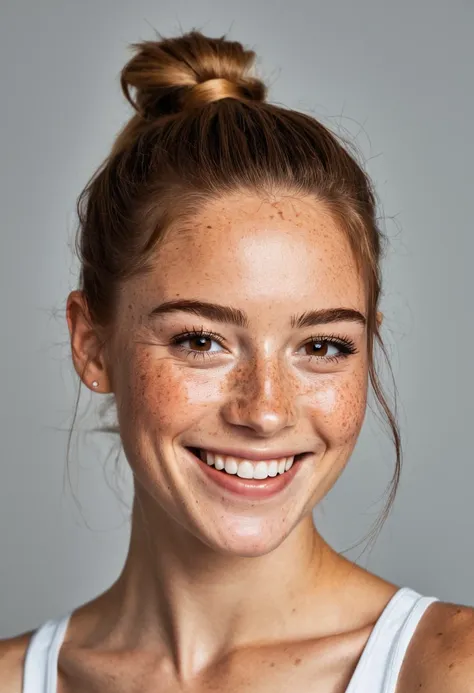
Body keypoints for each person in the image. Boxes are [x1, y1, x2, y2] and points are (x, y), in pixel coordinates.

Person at [1, 29, 473, 693]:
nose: (266, 410)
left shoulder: (450, 670)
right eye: (201, 340)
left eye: (322, 345)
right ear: (91, 344)